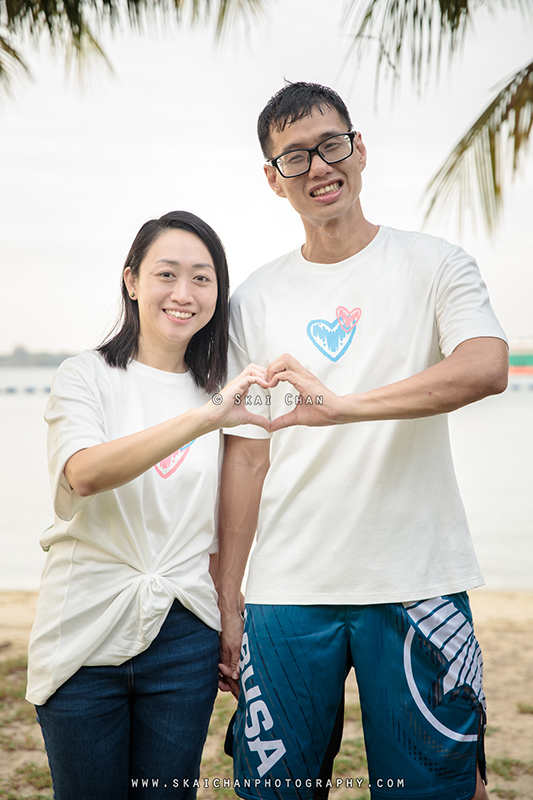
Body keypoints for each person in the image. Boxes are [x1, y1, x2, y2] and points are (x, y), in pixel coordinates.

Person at [216, 83, 509, 800]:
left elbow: (484, 366)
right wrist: (228, 598)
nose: (317, 166)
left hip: (415, 579)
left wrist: (343, 408)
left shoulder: (434, 263)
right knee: (272, 792)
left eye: (330, 144)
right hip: (287, 589)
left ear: (359, 148)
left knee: (429, 790)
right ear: (271, 178)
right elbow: (246, 455)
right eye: (293, 156)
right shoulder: (253, 298)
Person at [26, 210, 270, 799]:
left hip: (184, 632)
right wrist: (205, 417)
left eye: (202, 278)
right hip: (84, 627)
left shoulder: (226, 392)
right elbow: (84, 473)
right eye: (167, 274)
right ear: (132, 281)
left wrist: (229, 608)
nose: (183, 293)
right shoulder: (85, 376)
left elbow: (238, 502)